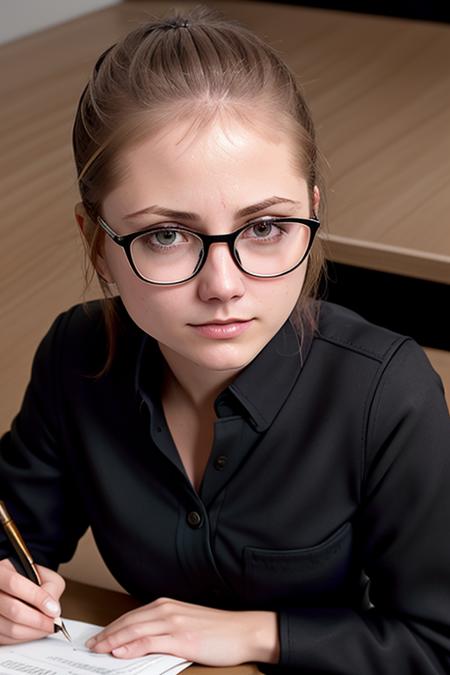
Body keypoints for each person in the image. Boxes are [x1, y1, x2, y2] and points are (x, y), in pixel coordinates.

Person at [0, 5, 449, 673]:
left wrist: (252, 634)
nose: (223, 285)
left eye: (265, 227)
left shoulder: (389, 394)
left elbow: (436, 641)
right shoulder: (77, 355)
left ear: (312, 212)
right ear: (98, 243)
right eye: (166, 235)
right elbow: (16, 537)